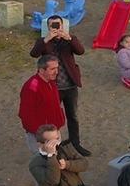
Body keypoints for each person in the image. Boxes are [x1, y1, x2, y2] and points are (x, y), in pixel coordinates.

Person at [29, 16, 89, 157]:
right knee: (52, 117)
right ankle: (53, 145)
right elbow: (34, 54)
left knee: (73, 116)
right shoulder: (44, 41)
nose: (56, 28)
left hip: (70, 85)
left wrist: (69, 38)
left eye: (58, 25)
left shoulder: (69, 39)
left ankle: (75, 143)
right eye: (53, 26)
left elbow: (81, 51)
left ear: (63, 26)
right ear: (48, 27)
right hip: (53, 87)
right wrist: (46, 39)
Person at [19, 55, 67, 186]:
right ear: (41, 70)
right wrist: (42, 138)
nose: (56, 72)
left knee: (55, 168)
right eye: (52, 69)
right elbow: (26, 115)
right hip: (42, 138)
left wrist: (58, 125)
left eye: (57, 68)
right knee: (46, 172)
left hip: (53, 132)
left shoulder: (50, 82)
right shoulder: (31, 87)